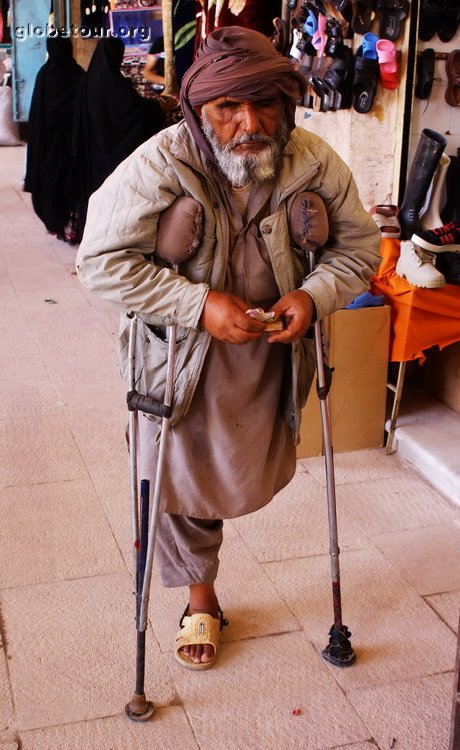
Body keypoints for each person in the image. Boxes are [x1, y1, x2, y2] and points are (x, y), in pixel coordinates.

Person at [76, 26, 380, 670]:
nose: (250, 123)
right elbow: (100, 264)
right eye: (228, 108)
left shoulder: (312, 161)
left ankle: (203, 584)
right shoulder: (161, 162)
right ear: (198, 108)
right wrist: (200, 304)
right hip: (178, 361)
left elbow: (359, 249)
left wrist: (316, 294)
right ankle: (200, 602)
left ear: (287, 102)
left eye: (266, 103)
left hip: (270, 357)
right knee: (174, 482)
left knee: (240, 473)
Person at [71, 37, 167, 238]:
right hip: (114, 158)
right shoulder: (119, 86)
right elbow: (139, 113)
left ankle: (90, 231)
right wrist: (159, 106)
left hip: (92, 152)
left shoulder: (84, 83)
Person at [24, 36, 84, 242]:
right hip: (72, 143)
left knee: (52, 184)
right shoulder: (77, 74)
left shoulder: (45, 74)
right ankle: (70, 225)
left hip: (48, 144)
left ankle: (57, 224)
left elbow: (36, 112)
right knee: (70, 183)